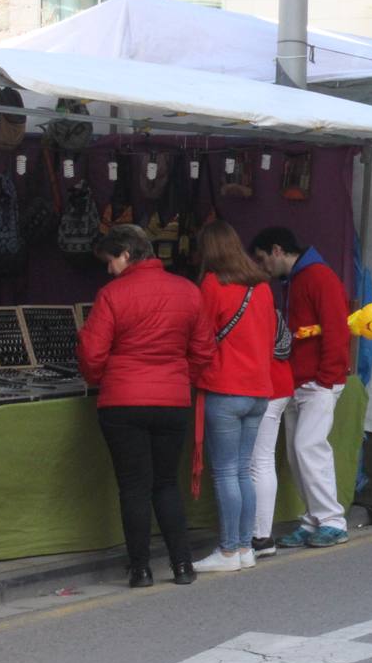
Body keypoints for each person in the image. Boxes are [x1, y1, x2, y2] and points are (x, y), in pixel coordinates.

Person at [77, 225, 214, 588]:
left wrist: (101, 377)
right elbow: (203, 350)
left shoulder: (112, 295)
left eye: (110, 261)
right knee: (167, 484)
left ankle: (140, 570)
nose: (108, 269)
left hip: (122, 401)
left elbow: (92, 354)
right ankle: (182, 566)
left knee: (134, 487)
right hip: (172, 400)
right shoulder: (188, 291)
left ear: (125, 253)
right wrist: (181, 379)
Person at [249, 227, 352, 548]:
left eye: (263, 259)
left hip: (317, 381)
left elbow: (338, 330)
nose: (262, 267)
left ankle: (332, 520)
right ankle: (315, 520)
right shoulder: (301, 278)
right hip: (305, 381)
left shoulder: (317, 278)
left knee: (308, 449)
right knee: (300, 453)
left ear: (277, 250)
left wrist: (326, 378)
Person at [192, 221, 276, 573]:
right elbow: (271, 336)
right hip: (259, 389)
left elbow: (201, 337)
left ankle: (228, 551)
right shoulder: (263, 288)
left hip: (225, 388)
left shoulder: (212, 285)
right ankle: (245, 547)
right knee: (243, 470)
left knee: (226, 472)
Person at [249, 322, 295, 558]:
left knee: (258, 462)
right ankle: (261, 535)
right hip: (281, 381)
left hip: (264, 385)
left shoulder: (242, 296)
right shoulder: (268, 301)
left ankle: (260, 536)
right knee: (262, 461)